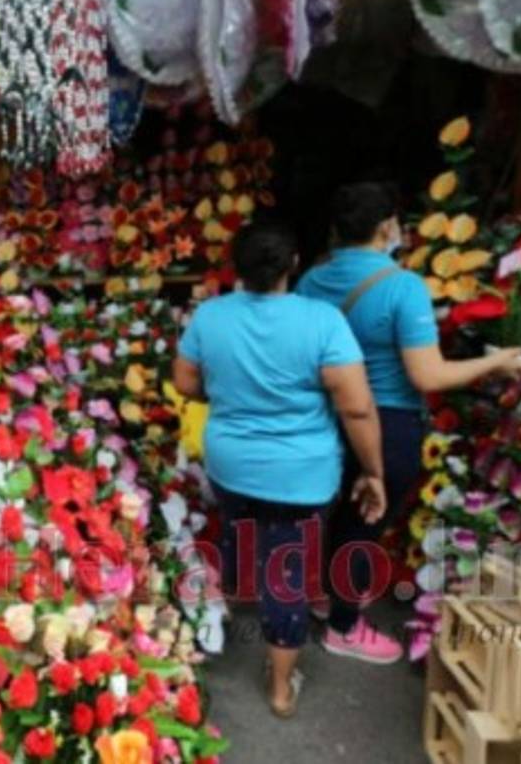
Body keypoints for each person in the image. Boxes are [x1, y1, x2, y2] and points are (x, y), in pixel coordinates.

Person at [296, 182, 521, 664]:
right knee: (366, 520)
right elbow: (427, 373)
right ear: (386, 227)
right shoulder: (403, 286)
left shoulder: (311, 280)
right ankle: (343, 626)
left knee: (334, 510)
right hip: (386, 419)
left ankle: (323, 596)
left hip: (324, 414)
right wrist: (494, 363)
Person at [173, 221, 386, 718]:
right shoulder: (323, 321)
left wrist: (224, 395)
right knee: (286, 576)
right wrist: (373, 471)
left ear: (238, 269)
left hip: (230, 463)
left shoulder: (211, 315)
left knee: (240, 533)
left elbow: (185, 383)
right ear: (294, 265)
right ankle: (281, 689)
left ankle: (219, 618)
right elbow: (356, 408)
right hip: (300, 477)